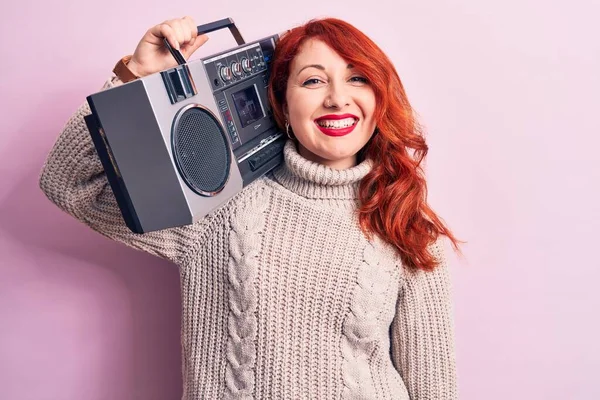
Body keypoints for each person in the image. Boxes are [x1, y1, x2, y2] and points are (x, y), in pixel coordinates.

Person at [39, 15, 462, 400]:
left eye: (358, 79)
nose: (337, 98)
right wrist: (136, 75)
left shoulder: (407, 225)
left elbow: (434, 389)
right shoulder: (218, 204)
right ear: (281, 102)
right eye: (313, 81)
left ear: (380, 97)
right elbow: (71, 183)